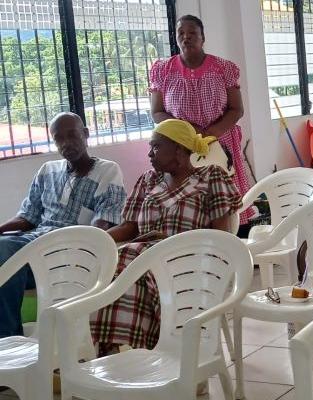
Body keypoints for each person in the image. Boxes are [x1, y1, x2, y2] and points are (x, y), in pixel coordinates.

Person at [90, 119, 241, 354]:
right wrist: (98, 243)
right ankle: (126, 351)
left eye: (156, 147)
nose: (150, 154)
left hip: (189, 262)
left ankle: (109, 349)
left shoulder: (211, 177)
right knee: (116, 261)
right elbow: (129, 227)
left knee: (130, 259)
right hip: (142, 259)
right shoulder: (147, 180)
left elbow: (220, 235)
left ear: (179, 149)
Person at [0, 112, 126, 338]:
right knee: (4, 248)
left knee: (4, 252)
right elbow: (27, 218)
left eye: (72, 135)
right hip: (33, 245)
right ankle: (9, 339)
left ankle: (7, 338)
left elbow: (101, 226)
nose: (66, 143)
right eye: (59, 138)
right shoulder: (48, 170)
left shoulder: (108, 170)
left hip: (66, 252)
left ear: (85, 134)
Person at [148, 14, 251, 227]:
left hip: (220, 142)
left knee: (224, 202)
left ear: (203, 37)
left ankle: (233, 246)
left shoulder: (224, 68)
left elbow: (236, 109)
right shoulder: (163, 70)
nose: (186, 37)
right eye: (181, 34)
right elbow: (157, 112)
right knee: (189, 205)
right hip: (180, 148)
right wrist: (187, 132)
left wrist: (211, 133)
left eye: (192, 33)